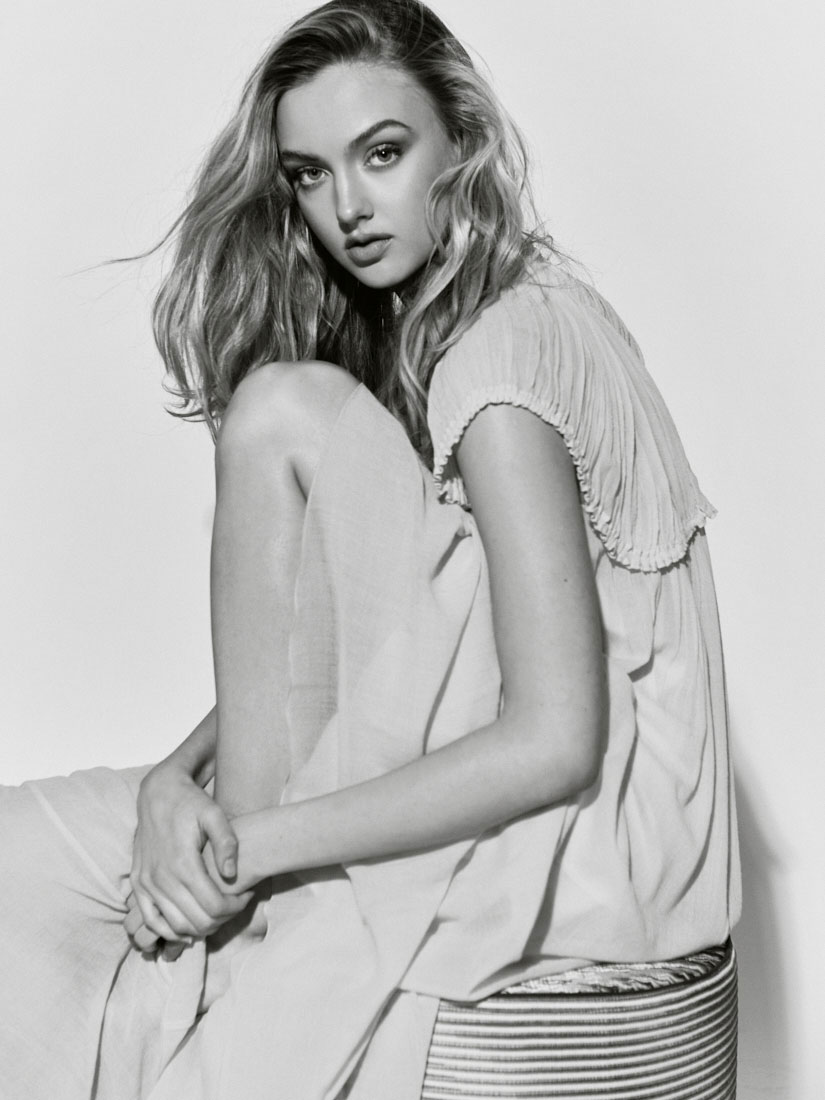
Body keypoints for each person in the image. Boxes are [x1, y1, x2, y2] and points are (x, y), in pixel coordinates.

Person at [0, 1, 741, 1097]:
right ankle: (210, 881)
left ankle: (225, 932)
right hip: (565, 816)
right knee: (28, 849)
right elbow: (433, 627)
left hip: (583, 870)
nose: (347, 207)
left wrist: (252, 846)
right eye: (310, 173)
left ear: (462, 141)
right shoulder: (513, 301)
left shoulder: (497, 365)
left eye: (382, 154)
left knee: (277, 409)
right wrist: (174, 775)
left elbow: (554, 739)